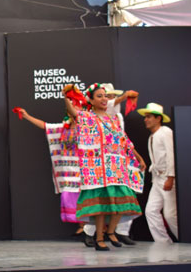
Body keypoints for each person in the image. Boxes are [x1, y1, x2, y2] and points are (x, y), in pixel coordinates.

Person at [64, 83, 146, 251]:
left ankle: (110, 232)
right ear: (91, 101)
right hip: (97, 167)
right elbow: (73, 112)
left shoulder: (113, 119)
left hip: (116, 167)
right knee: (100, 204)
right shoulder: (87, 116)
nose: (104, 99)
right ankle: (99, 239)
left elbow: (125, 141)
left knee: (121, 199)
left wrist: (138, 157)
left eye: (105, 96)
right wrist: (66, 97)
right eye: (99, 96)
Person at [82, 83, 141, 246]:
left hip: (117, 160)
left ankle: (117, 232)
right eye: (105, 96)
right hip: (100, 162)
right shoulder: (96, 114)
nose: (109, 99)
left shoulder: (116, 117)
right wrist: (125, 95)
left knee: (120, 198)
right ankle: (92, 234)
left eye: (110, 96)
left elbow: (122, 138)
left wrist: (135, 156)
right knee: (100, 199)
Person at [15, 108, 85, 238]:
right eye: (71, 112)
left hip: (85, 169)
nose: (74, 114)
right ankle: (82, 226)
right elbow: (45, 126)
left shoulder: (88, 128)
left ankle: (94, 228)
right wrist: (27, 116)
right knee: (70, 196)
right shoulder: (63, 128)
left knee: (86, 197)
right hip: (69, 171)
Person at [138, 102, 178, 243]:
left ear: (158, 118)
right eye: (145, 117)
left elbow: (172, 154)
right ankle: (163, 242)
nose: (145, 120)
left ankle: (187, 238)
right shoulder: (151, 137)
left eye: (149, 117)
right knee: (150, 211)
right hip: (157, 179)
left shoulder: (165, 132)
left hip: (167, 178)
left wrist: (171, 177)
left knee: (170, 214)